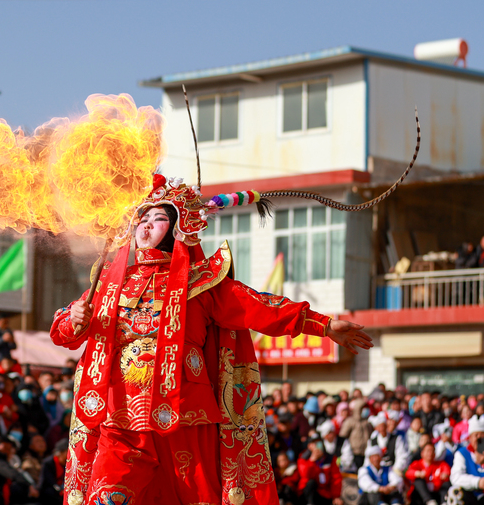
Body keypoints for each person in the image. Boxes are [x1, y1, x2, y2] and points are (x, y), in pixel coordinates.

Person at [50, 175, 372, 504]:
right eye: (142, 219)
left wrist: (322, 325)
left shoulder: (202, 281)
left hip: (185, 416)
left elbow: (257, 306)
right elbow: (66, 332)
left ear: (178, 228)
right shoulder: (109, 283)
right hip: (118, 419)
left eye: (158, 218)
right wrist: (75, 318)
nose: (146, 227)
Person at [38, 438, 67, 505]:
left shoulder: (67, 464)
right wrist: (60, 490)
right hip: (50, 490)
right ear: (60, 453)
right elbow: (50, 482)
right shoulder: (48, 463)